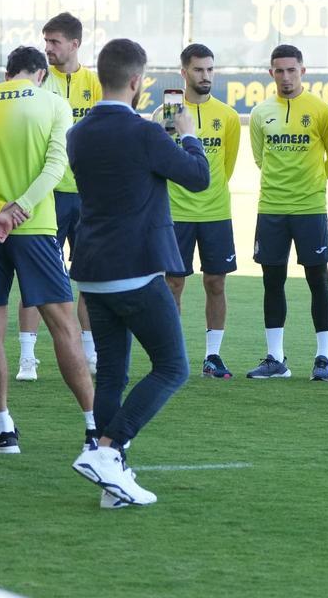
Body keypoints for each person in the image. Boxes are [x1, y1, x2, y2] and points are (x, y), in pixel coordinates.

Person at [69, 38, 209, 508]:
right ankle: (106, 452)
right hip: (134, 269)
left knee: (112, 373)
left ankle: (114, 481)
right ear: (137, 82)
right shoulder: (147, 133)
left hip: (91, 271)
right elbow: (197, 177)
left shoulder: (79, 131)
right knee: (173, 367)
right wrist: (186, 133)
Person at [0, 44, 94, 453]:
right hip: (35, 226)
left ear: (7, 72)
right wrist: (19, 210)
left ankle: (3, 426)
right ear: (41, 73)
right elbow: (56, 166)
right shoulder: (53, 102)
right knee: (63, 326)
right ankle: (92, 426)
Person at [246, 44, 328, 381]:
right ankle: (275, 358)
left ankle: (323, 358)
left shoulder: (320, 110)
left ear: (303, 70)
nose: (285, 77)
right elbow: (261, 158)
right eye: (279, 71)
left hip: (310, 209)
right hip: (271, 208)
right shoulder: (260, 113)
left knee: (319, 281)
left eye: (291, 70)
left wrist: (312, 183)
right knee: (272, 282)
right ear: (271, 73)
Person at [19, 12, 102, 380]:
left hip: (87, 196)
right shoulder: (38, 82)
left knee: (88, 276)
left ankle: (89, 353)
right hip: (46, 196)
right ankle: (27, 357)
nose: (48, 48)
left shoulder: (95, 83)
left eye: (54, 42)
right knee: (35, 276)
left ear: (74, 44)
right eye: (45, 41)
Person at [164, 43, 240, 379]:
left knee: (215, 283)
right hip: (176, 214)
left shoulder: (227, 116)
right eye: (198, 70)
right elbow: (162, 162)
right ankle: (173, 354)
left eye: (210, 69)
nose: (205, 76)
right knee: (173, 285)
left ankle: (213, 356)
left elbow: (227, 165)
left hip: (215, 213)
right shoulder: (166, 113)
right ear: (184, 72)